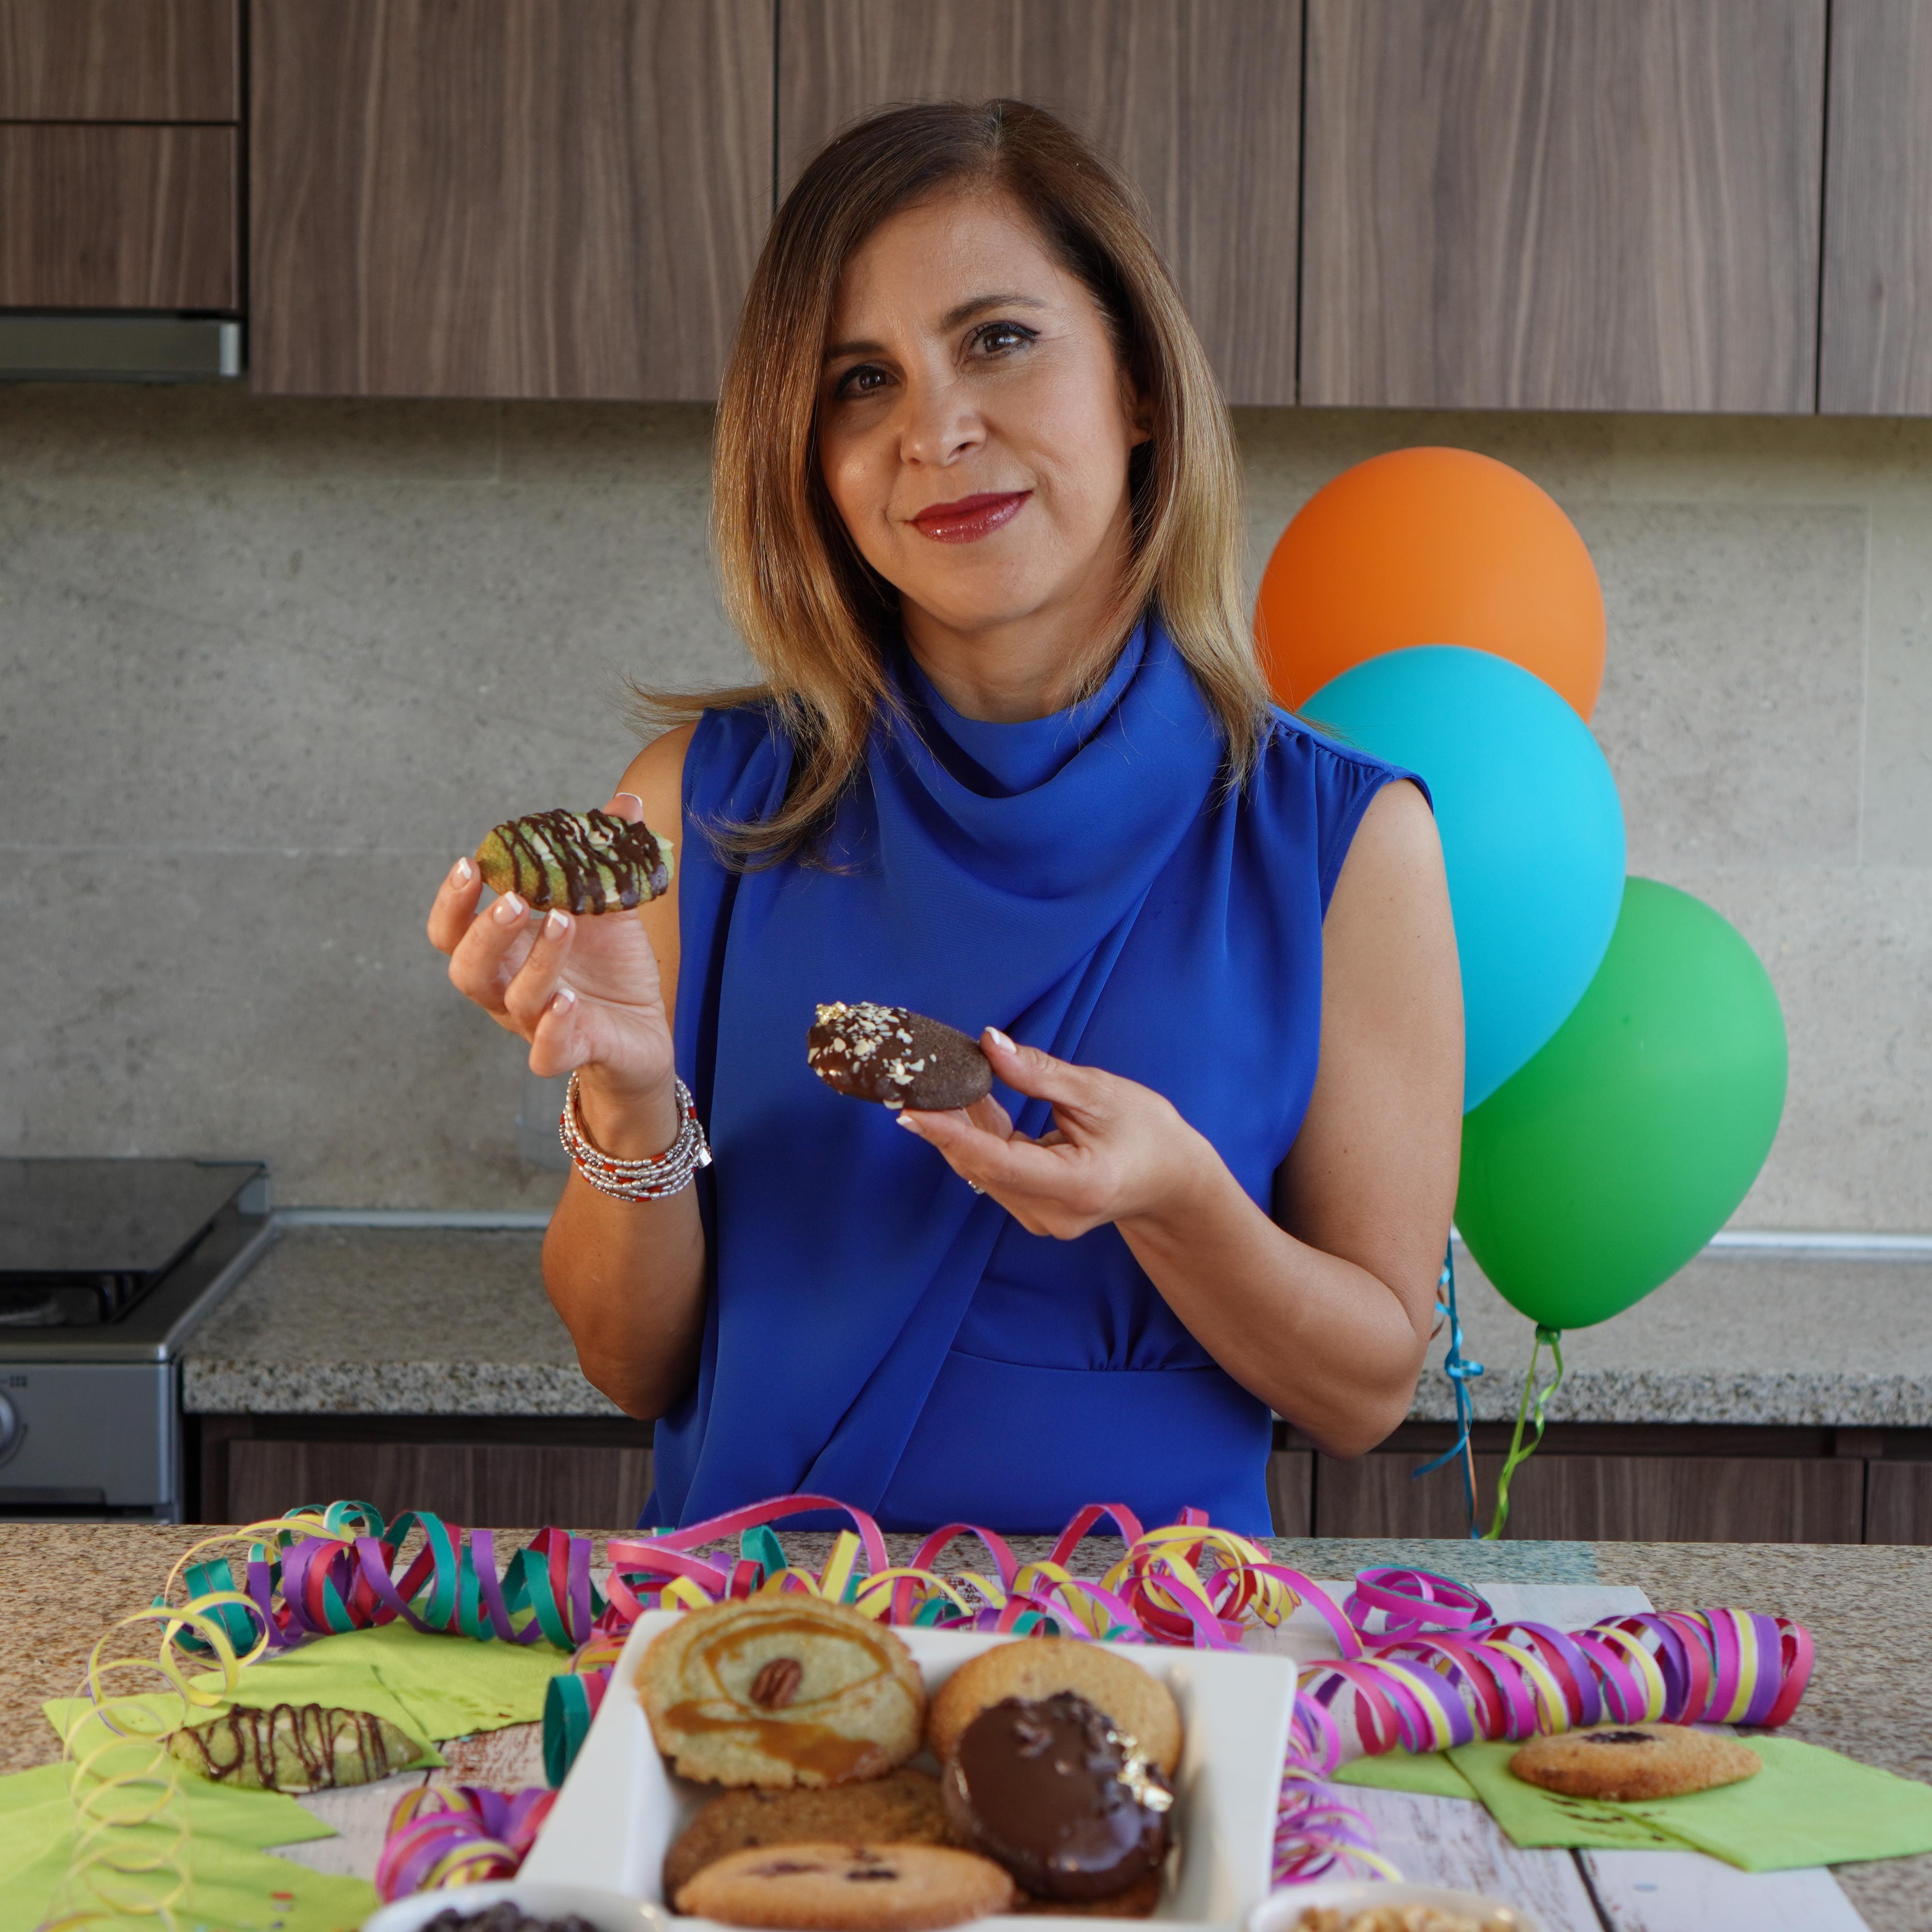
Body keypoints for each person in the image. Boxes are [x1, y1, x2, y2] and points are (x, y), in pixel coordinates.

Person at [428, 101, 1462, 1536]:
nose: (936, 430)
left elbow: (1364, 1397)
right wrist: (625, 1098)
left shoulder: (1343, 844)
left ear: (1140, 382)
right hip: (756, 1654)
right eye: (862, 379)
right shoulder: (700, 811)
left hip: (1146, 1670)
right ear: (809, 454)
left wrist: (1173, 1199)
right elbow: (629, 1362)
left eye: (998, 340)